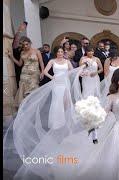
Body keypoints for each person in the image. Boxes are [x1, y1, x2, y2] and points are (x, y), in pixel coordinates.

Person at [6, 68, 119, 180]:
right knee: (118, 158)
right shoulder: (111, 97)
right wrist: (92, 120)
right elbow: (103, 115)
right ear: (118, 80)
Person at [3, 47, 86, 178]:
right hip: (57, 84)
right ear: (55, 53)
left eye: (61, 52)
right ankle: (56, 122)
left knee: (66, 103)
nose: (59, 53)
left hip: (65, 84)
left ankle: (65, 120)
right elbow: (45, 71)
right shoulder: (52, 61)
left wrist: (81, 72)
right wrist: (53, 77)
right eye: (58, 52)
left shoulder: (67, 62)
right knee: (57, 103)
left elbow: (72, 71)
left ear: (63, 53)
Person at [7, 37, 45, 107]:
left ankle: (34, 107)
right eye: (24, 45)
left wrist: (42, 72)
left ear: (30, 43)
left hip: (34, 74)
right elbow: (20, 64)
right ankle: (26, 108)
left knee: (33, 90)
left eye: (27, 44)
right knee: (24, 91)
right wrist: (12, 57)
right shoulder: (22, 52)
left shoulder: (37, 51)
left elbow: (41, 62)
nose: (25, 46)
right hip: (24, 74)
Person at [12, 22, 27, 88]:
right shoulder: (16, 33)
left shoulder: (23, 36)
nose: (20, 25)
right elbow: (14, 42)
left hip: (18, 55)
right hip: (14, 53)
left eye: (22, 25)